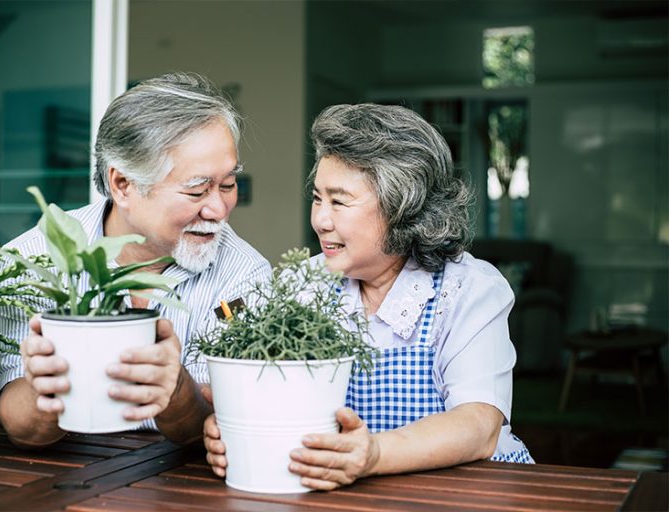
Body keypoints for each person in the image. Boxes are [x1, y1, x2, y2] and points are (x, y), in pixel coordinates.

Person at [203, 103, 533, 490]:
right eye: (317, 198)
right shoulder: (303, 284)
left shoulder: (467, 289)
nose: (320, 220)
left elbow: (479, 424)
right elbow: (270, 392)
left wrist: (373, 454)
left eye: (339, 201)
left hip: (465, 492)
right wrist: (230, 423)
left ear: (402, 208)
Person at [0, 72, 271, 448]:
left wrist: (176, 388)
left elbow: (216, 428)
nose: (219, 208)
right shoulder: (31, 261)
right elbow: (22, 428)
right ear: (123, 185)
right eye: (198, 190)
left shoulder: (244, 276)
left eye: (228, 185)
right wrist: (48, 388)